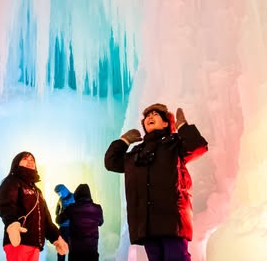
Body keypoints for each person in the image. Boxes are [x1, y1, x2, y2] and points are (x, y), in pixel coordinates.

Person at [104, 103, 208, 261]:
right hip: (147, 225)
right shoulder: (136, 153)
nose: (150, 117)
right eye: (147, 116)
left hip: (171, 220)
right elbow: (111, 162)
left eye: (155, 114)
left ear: (166, 123)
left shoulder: (174, 144)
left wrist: (182, 126)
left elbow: (197, 146)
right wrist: (124, 141)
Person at [0, 151, 68, 261]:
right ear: (17, 163)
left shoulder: (37, 192)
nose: (30, 162)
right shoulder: (12, 181)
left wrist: (56, 238)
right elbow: (6, 204)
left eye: (32, 160)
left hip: (35, 244)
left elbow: (46, 220)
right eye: (25, 159)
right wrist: (12, 224)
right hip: (18, 241)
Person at [56, 183, 103, 261]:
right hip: (92, 252)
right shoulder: (97, 208)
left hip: (76, 253)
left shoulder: (72, 208)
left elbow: (59, 220)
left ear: (77, 195)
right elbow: (101, 222)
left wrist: (61, 211)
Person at [54, 184, 75, 261]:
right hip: (63, 228)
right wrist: (59, 217)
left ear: (64, 190)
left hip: (71, 228)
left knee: (72, 250)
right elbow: (57, 211)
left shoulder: (73, 197)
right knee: (61, 249)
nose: (59, 194)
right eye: (57, 193)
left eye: (59, 192)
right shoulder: (60, 199)